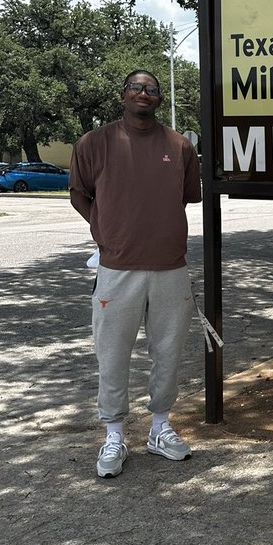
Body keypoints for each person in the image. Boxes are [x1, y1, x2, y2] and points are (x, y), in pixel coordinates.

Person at [69, 69, 202, 478]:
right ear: (123, 94)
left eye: (152, 90)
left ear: (159, 100)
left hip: (169, 267)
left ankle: (160, 429)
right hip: (117, 269)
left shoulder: (180, 146)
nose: (144, 94)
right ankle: (114, 435)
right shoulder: (95, 143)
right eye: (136, 88)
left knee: (168, 351)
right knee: (111, 354)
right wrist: (104, 231)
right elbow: (79, 193)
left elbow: (184, 197)